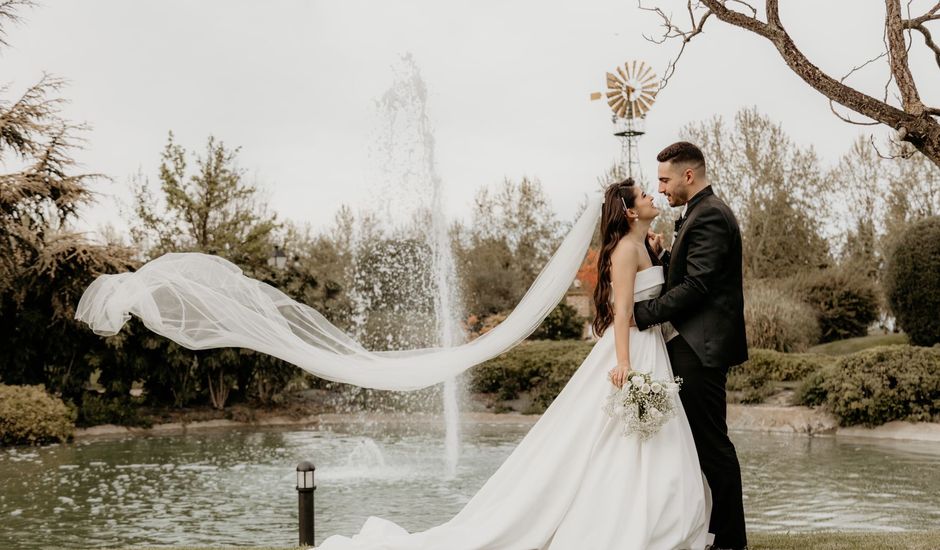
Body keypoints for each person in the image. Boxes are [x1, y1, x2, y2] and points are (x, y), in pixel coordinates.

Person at [313, 178, 712, 550]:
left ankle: (653, 512)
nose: (651, 197)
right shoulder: (625, 250)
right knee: (615, 436)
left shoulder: (643, 245)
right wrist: (625, 364)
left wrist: (657, 252)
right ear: (628, 211)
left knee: (636, 437)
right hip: (633, 351)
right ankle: (624, 518)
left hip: (650, 346)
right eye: (644, 195)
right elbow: (623, 309)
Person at [634, 141, 749, 550]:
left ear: (688, 174)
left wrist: (642, 315)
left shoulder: (711, 217)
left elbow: (698, 286)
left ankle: (731, 541)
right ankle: (714, 533)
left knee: (712, 446)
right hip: (693, 344)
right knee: (698, 446)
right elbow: (691, 273)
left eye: (665, 179)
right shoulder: (699, 214)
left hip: (700, 347)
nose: (660, 188)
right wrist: (663, 256)